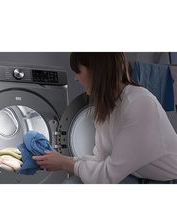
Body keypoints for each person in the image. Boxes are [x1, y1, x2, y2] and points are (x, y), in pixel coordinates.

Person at [33, 52, 177, 184]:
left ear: (96, 71)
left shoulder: (139, 103)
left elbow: (107, 175)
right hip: (135, 174)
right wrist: (60, 160)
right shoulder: (108, 106)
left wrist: (64, 163)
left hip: (164, 181)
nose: (76, 78)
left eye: (78, 71)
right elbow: (100, 159)